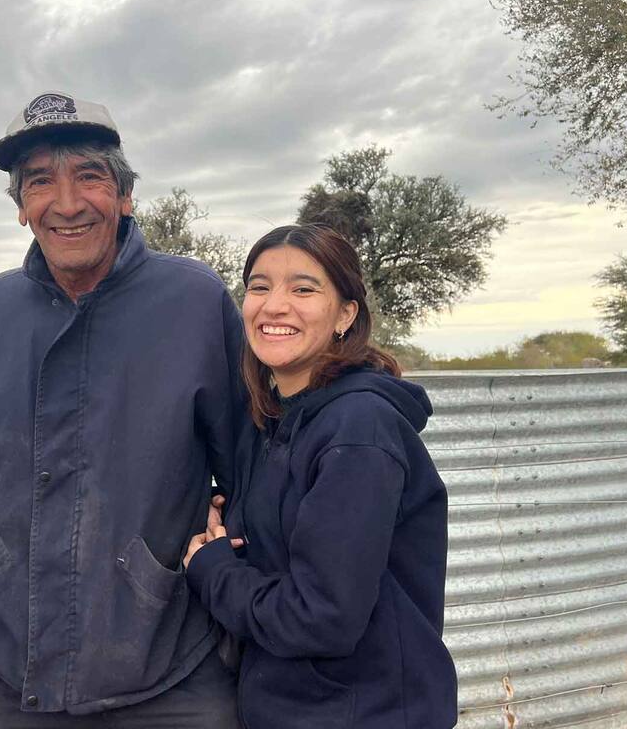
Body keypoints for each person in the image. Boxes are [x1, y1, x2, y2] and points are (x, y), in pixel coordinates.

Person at [0, 92, 245, 728]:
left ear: (125, 196)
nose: (66, 202)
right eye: (40, 182)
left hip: (176, 677)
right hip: (20, 678)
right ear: (22, 210)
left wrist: (230, 602)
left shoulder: (194, 303)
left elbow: (253, 466)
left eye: (88, 176)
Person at [184, 224, 458, 728]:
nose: (274, 305)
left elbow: (322, 618)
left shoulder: (357, 429)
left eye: (303, 289)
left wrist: (213, 570)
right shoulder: (278, 422)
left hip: (363, 713)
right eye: (259, 287)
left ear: (345, 314)